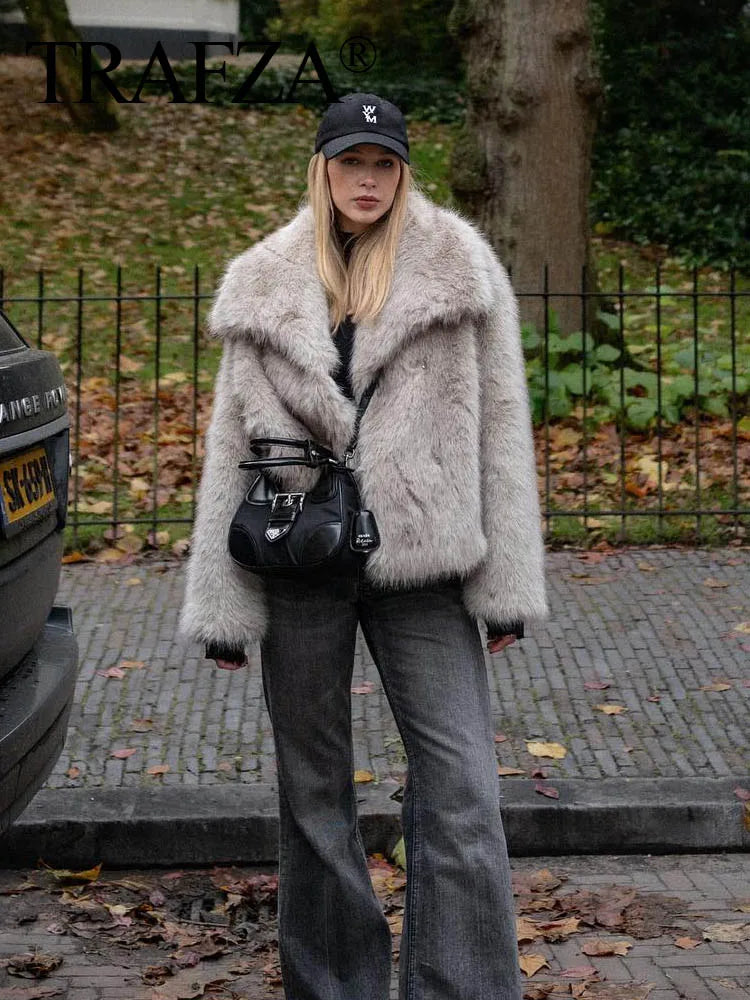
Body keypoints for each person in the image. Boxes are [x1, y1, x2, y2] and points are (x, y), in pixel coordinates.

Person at [179, 92, 548, 1000]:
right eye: (353, 163)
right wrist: (221, 606)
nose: (369, 181)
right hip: (299, 561)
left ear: (403, 171)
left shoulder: (458, 268)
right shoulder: (265, 281)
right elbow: (229, 442)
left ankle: (460, 987)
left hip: (427, 566)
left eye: (384, 164)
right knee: (313, 798)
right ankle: (333, 986)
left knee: (462, 789)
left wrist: (507, 585)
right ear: (324, 170)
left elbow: (501, 427)